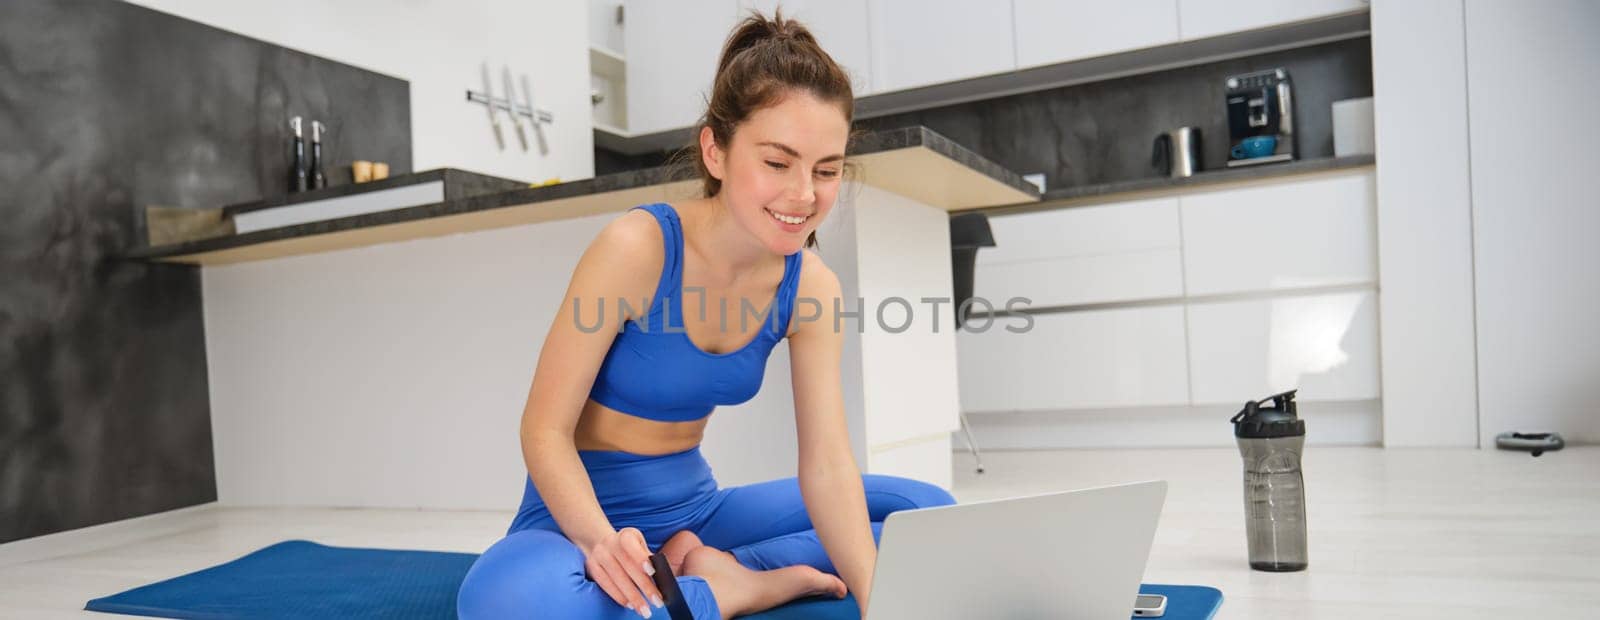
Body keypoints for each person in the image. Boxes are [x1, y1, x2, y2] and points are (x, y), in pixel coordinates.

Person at [456, 9, 956, 619]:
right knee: (508, 601)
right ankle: (735, 588)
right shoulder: (637, 249)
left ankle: (694, 574)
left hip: (697, 514)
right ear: (715, 152)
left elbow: (826, 463)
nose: (804, 194)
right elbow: (544, 430)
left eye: (826, 170)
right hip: (574, 518)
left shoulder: (810, 289)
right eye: (777, 163)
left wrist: (881, 602)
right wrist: (599, 543)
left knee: (925, 511)